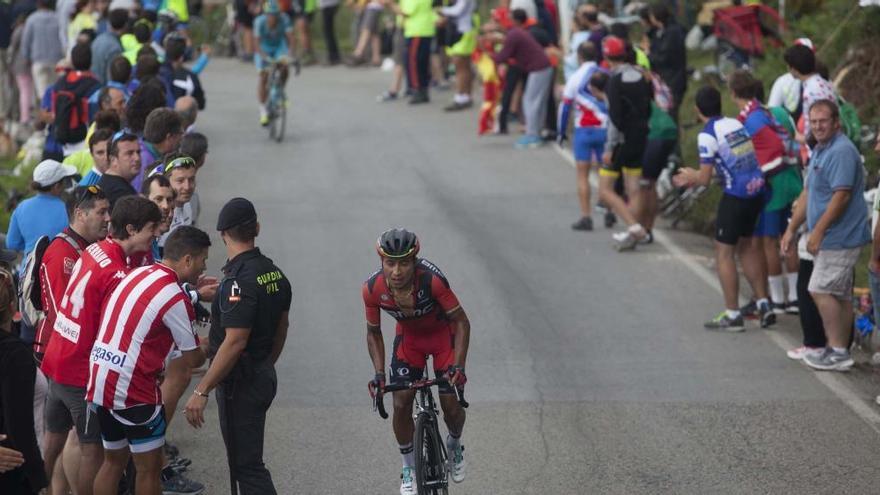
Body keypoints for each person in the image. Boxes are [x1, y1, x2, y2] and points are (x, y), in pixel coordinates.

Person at [39, 196, 161, 495]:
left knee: (56, 441)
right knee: (92, 450)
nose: (156, 234)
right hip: (80, 372)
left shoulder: (95, 248)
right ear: (131, 229)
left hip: (57, 358)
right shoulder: (116, 274)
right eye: (151, 229)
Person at [88, 226, 208, 495]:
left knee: (112, 462)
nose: (204, 267)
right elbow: (191, 359)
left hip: (101, 376)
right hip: (133, 388)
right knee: (149, 469)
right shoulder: (175, 296)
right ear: (187, 259)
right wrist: (210, 346)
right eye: (203, 260)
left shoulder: (140, 272)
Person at [184, 198, 292, 495]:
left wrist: (201, 389)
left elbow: (234, 341)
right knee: (245, 463)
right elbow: (281, 330)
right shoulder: (275, 274)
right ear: (256, 228)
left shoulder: (237, 282)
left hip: (240, 384)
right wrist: (263, 363)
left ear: (223, 234)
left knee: (247, 467)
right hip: (260, 374)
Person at [362, 229, 470, 495]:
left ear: (414, 261)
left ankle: (454, 443)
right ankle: (408, 465)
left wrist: (459, 365)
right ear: (382, 262)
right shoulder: (372, 289)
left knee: (451, 406)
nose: (397, 271)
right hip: (410, 341)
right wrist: (378, 373)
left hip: (442, 337)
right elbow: (373, 333)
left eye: (404, 263)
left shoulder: (432, 280)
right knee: (400, 402)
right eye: (390, 263)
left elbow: (461, 322)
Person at [674, 86, 774, 331]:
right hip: (756, 190)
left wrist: (691, 175)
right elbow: (738, 163)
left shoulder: (707, 135)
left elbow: (705, 179)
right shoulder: (735, 124)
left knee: (724, 253)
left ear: (698, 110)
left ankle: (732, 315)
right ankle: (763, 303)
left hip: (736, 196)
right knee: (748, 246)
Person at [782, 100, 871, 371]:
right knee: (840, 294)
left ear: (836, 123)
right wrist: (791, 229)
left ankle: (836, 351)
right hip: (828, 234)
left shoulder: (842, 151)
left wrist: (818, 231)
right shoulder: (821, 149)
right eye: (814, 121)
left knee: (818, 288)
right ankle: (840, 349)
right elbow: (808, 194)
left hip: (840, 235)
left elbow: (841, 196)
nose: (818, 126)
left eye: (824, 121)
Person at [728, 71, 803, 314]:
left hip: (771, 185)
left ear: (733, 93)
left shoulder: (751, 119)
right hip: (791, 180)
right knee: (788, 237)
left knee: (768, 242)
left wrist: (759, 175)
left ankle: (778, 299)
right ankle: (794, 297)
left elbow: (770, 147)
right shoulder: (775, 112)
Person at [599, 36, 652, 250]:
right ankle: (632, 235)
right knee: (634, 189)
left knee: (604, 189)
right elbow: (648, 107)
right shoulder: (640, 76)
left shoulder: (613, 81)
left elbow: (615, 117)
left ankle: (634, 228)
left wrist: (610, 147)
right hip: (640, 136)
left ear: (606, 56)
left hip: (621, 140)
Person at [0, 264, 49, 495]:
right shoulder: (15, 354)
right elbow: (19, 425)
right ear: (13, 308)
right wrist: (39, 479)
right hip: (15, 471)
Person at [557, 41, 605, 231]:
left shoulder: (575, 78)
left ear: (579, 57)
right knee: (606, 173)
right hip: (604, 130)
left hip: (584, 131)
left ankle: (586, 216)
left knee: (582, 175)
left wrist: (561, 132)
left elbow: (565, 106)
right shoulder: (605, 75)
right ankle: (608, 209)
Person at [490, 9, 552, 148]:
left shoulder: (514, 34)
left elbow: (503, 56)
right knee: (536, 102)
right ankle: (536, 132)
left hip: (538, 68)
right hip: (542, 67)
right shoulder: (517, 33)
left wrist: (488, 53)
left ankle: (532, 135)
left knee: (530, 102)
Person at [6, 160, 78, 263]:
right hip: (58, 271)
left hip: (28, 274)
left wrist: (32, 246)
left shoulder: (21, 207)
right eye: (64, 182)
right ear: (56, 186)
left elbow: (12, 243)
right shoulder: (69, 211)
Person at [783, 43, 836, 147]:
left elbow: (818, 130)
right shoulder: (823, 82)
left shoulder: (811, 91)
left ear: (793, 69)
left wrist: (794, 135)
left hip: (823, 148)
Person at [384, 0, 435, 105]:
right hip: (425, 29)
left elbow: (406, 12)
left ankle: (416, 89)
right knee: (422, 63)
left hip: (416, 31)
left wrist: (390, 4)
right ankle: (423, 90)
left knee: (413, 63)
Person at [254, 0, 295, 125]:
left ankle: (280, 91)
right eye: (270, 15)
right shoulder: (259, 22)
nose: (273, 18)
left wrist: (290, 54)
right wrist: (263, 56)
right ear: (265, 14)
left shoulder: (284, 19)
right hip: (263, 48)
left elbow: (291, 38)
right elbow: (256, 43)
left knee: (285, 67)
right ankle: (262, 110)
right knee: (263, 77)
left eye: (275, 15)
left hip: (278, 47)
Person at [643, 3, 686, 122]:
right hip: (663, 78)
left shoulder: (672, 33)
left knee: (671, 113)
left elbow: (664, 57)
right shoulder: (660, 31)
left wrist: (648, 54)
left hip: (673, 79)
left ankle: (673, 138)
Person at [22, 0, 65, 102]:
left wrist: (26, 56)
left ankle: (45, 113)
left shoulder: (31, 19)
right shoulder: (57, 18)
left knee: (42, 93)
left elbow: (26, 40)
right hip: (56, 59)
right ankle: (55, 114)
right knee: (56, 91)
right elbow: (63, 37)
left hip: (38, 59)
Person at [438, 0, 477, 112]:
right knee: (465, 67)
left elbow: (457, 11)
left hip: (464, 31)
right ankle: (466, 96)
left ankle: (460, 97)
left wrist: (442, 10)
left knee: (460, 67)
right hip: (462, 30)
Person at [136, 107, 184, 190]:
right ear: (169, 137)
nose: (181, 139)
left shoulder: (141, 149)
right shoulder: (146, 162)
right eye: (180, 134)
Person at [98, 129, 141, 207]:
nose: (137, 158)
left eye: (138, 152)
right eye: (129, 153)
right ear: (113, 160)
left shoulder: (107, 183)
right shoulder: (120, 193)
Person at [90, 8, 127, 84]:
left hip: (93, 86)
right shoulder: (115, 48)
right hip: (103, 89)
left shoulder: (98, 39)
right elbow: (111, 78)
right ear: (125, 25)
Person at [319, 0, 341, 65]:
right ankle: (334, 56)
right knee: (328, 31)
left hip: (329, 5)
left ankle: (333, 57)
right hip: (328, 5)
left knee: (328, 31)